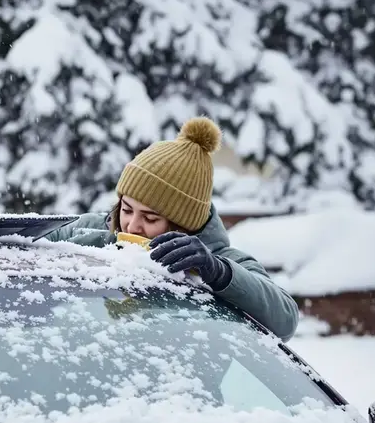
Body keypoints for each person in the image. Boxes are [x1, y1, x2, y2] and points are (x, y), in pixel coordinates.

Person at [41, 116, 300, 342]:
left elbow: (285, 319)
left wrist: (218, 273)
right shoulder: (97, 229)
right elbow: (31, 239)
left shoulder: (220, 262)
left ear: (183, 226)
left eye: (150, 218)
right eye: (127, 209)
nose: (132, 225)